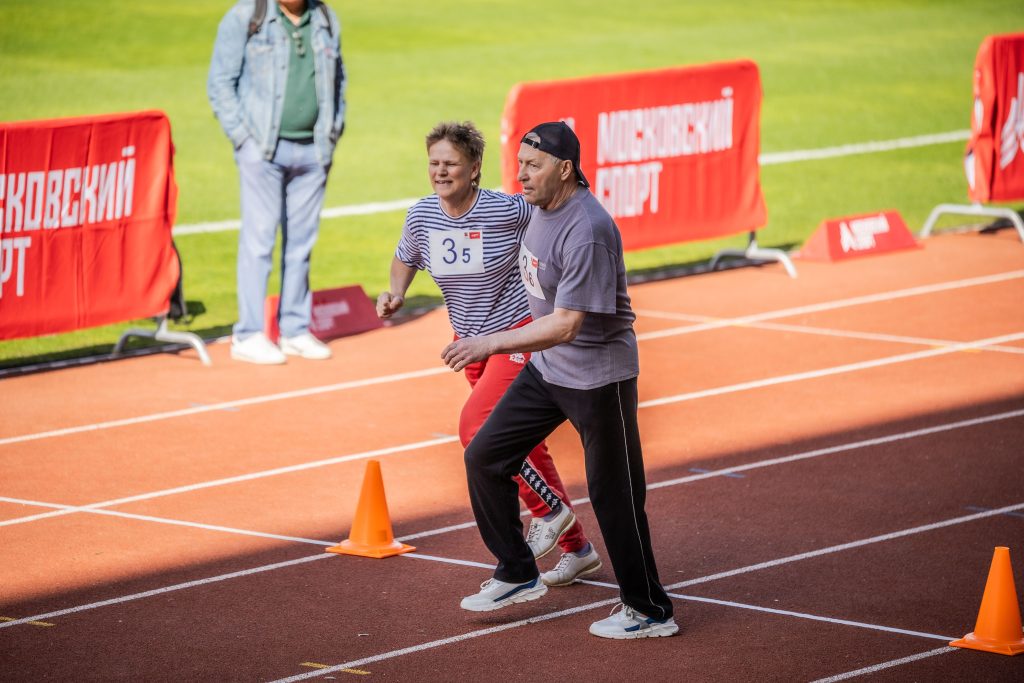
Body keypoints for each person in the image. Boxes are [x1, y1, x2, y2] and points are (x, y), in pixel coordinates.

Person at [442, 122, 677, 639]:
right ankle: (518, 572)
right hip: (550, 370)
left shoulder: (587, 228)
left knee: (616, 495)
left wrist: (490, 341)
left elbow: (569, 322)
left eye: (533, 166)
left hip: (598, 379)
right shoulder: (539, 211)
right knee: (485, 455)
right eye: (519, 163)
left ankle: (649, 610)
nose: (520, 175)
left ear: (564, 169)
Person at [377, 121, 601, 587]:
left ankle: (551, 512)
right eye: (434, 163)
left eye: (451, 163)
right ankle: (577, 548)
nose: (440, 172)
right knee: (527, 448)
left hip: (517, 337)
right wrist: (395, 292)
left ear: (474, 168)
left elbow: (558, 208)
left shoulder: (506, 210)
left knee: (478, 431)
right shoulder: (422, 216)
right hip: (471, 346)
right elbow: (406, 255)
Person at [207, 0, 345, 364]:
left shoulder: (325, 18)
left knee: (301, 243)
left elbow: (339, 82)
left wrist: (331, 134)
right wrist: (243, 140)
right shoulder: (245, 17)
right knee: (260, 239)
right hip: (263, 150)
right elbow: (220, 83)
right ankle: (249, 334)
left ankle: (295, 330)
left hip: (313, 152)